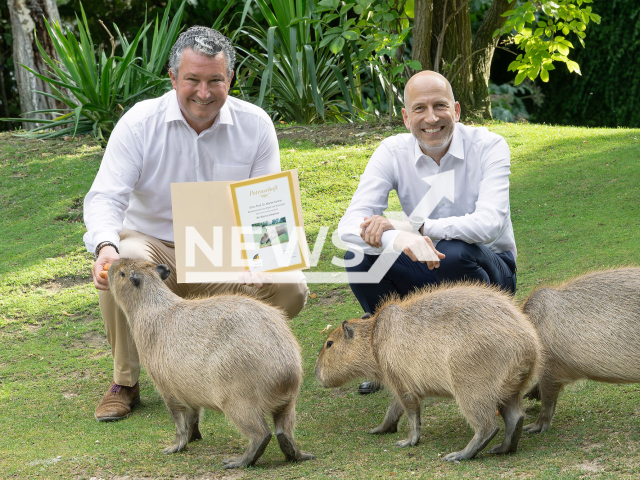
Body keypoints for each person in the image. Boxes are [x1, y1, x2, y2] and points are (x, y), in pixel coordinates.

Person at [84, 26, 308, 421]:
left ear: (230, 79)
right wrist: (105, 245)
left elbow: (266, 206)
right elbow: (106, 196)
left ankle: (239, 364)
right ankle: (126, 381)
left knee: (291, 287)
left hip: (224, 250)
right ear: (173, 78)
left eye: (215, 81)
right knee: (122, 262)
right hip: (154, 245)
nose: (203, 93)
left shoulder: (255, 125)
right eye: (192, 80)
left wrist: (262, 258)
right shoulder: (139, 124)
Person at [338, 71, 517, 394]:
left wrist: (417, 227)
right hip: (427, 265)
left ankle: (484, 353)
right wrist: (399, 238)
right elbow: (349, 226)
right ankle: (394, 359)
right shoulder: (392, 152)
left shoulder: (489, 146)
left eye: (440, 106)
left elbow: (489, 224)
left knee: (457, 252)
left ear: (457, 111)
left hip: (490, 271)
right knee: (359, 257)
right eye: (420, 109)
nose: (431, 118)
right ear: (406, 117)